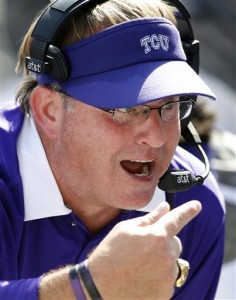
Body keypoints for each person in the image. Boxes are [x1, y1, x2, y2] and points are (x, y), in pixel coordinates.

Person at [0, 0, 225, 299]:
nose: (157, 138)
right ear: (50, 111)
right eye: (124, 108)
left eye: (170, 105)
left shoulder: (196, 203)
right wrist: (88, 286)